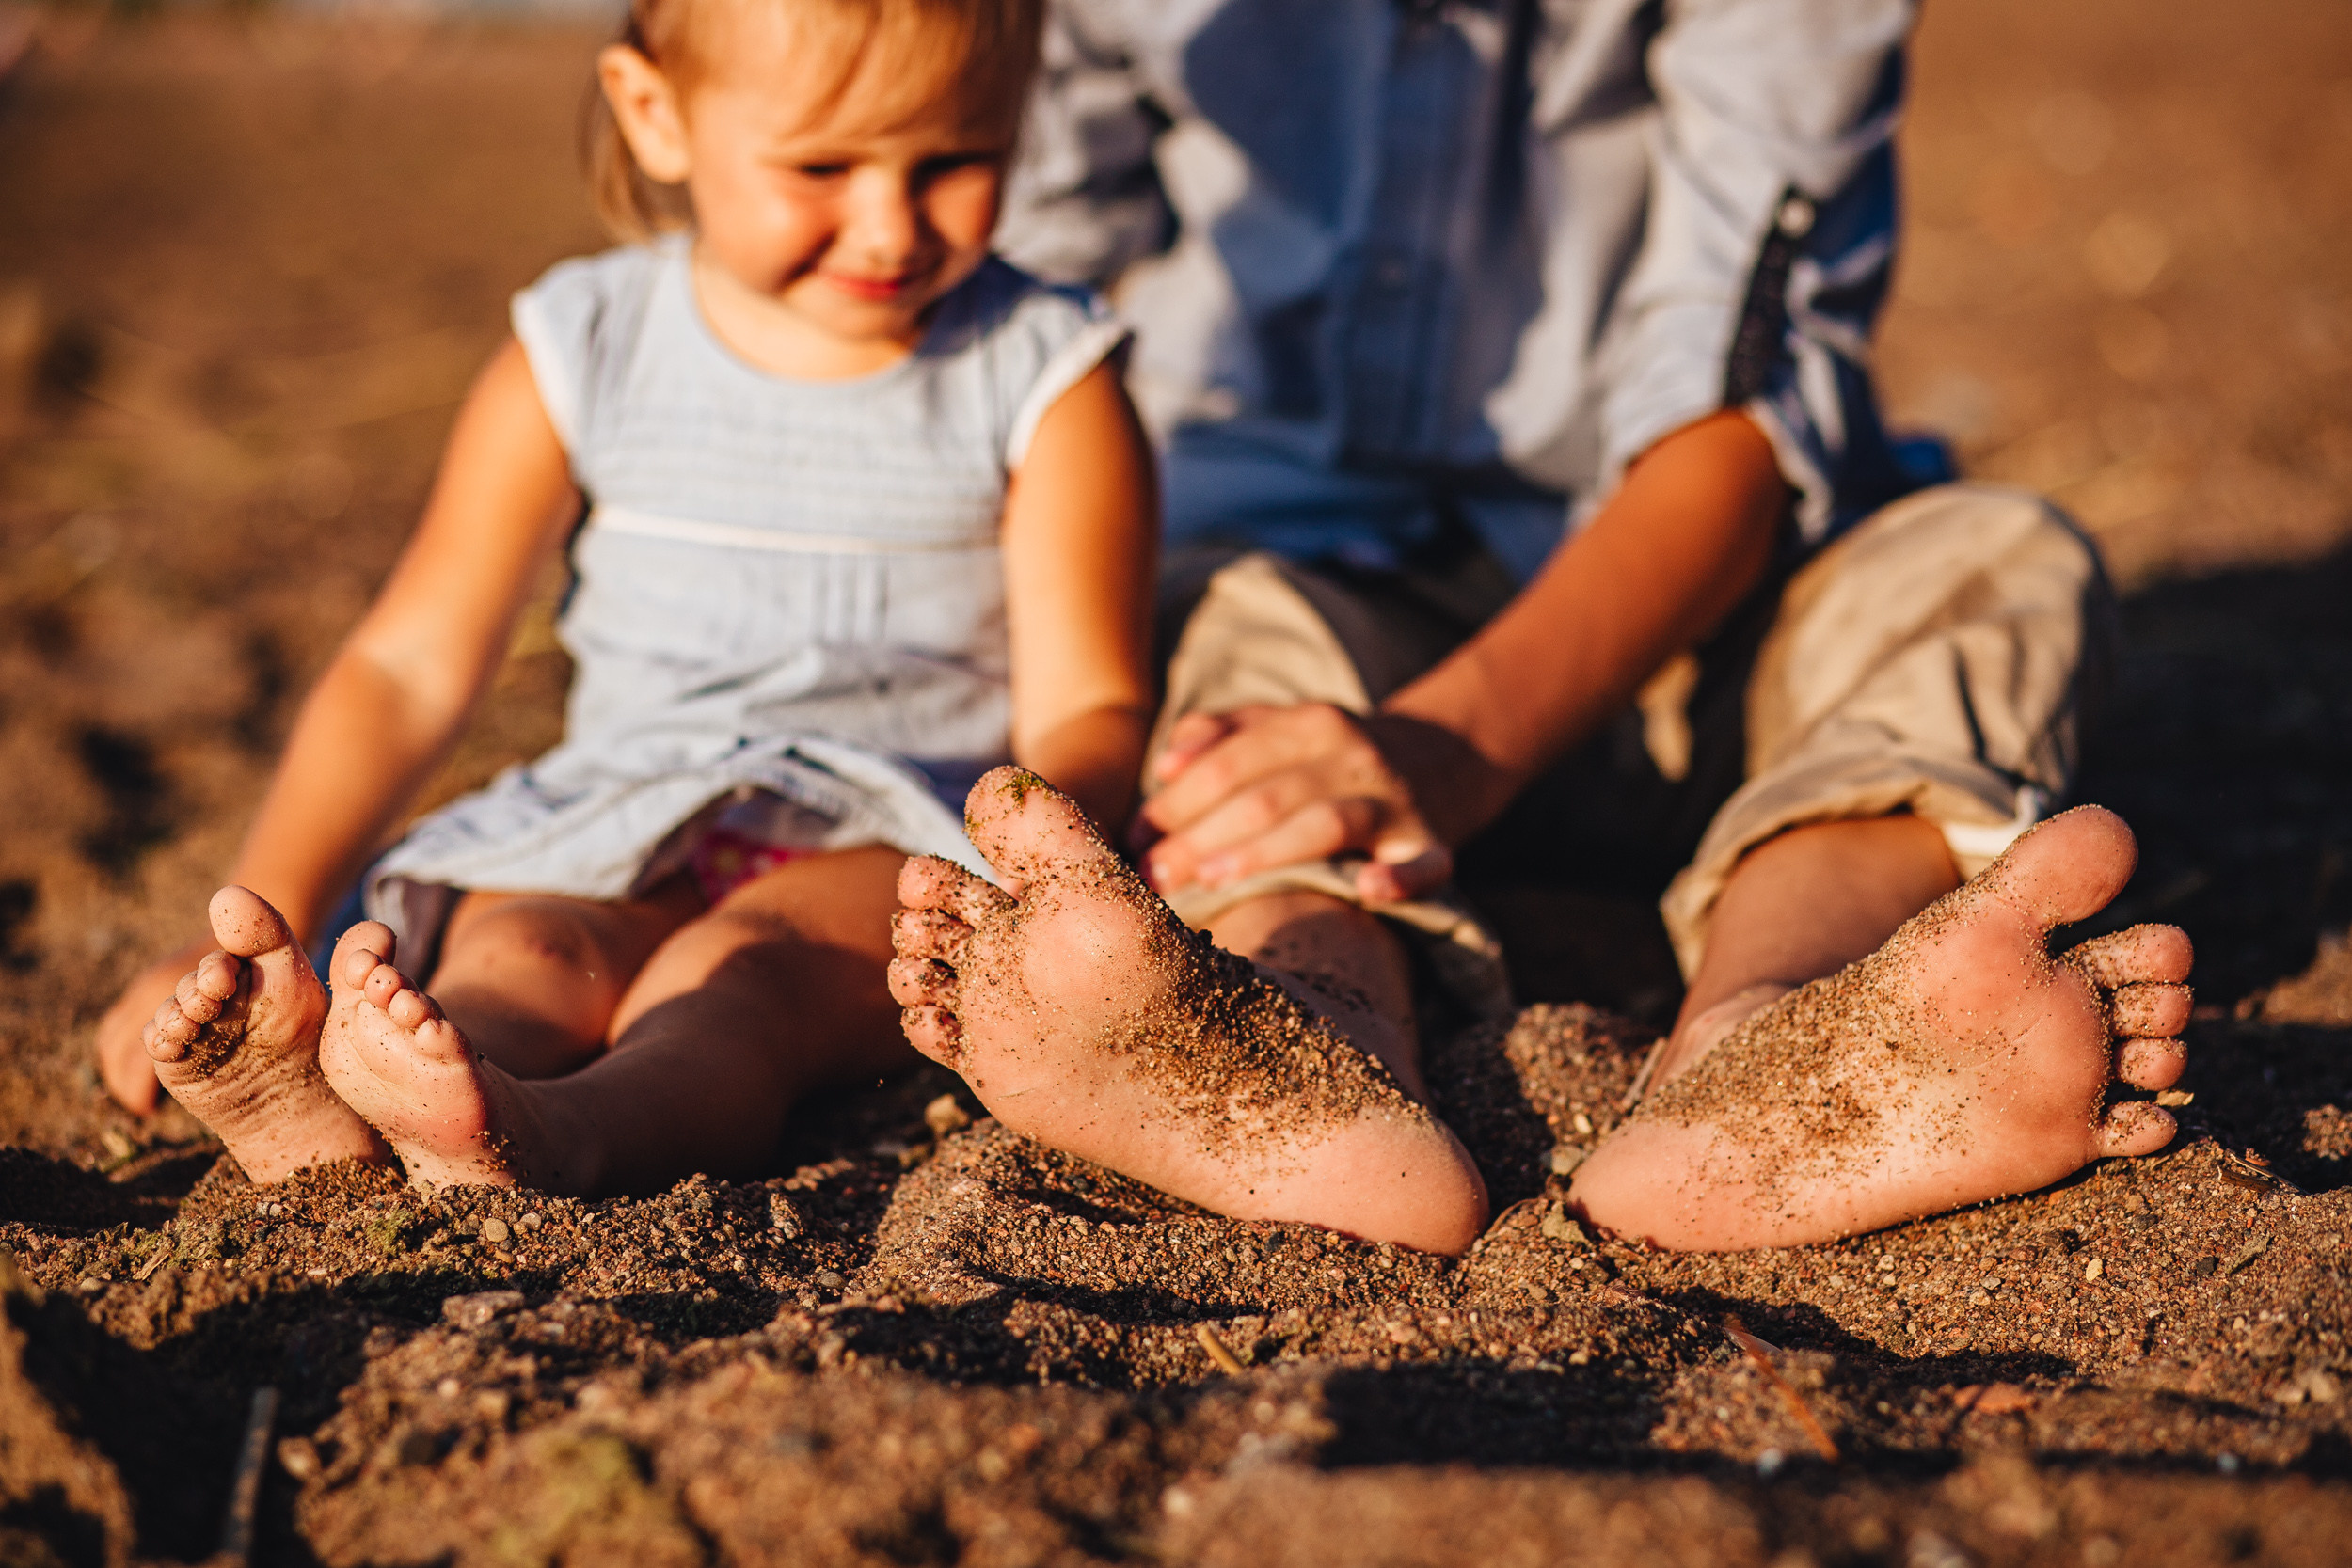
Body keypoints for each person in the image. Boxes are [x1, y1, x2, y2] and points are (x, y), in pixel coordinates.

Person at [882, 0, 2195, 1253]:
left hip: (1697, 616)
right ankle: (1296, 1032)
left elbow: (1737, 417)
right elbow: (1008, 302)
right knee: (1230, 634)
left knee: (1990, 562)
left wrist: (1453, 744)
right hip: (1301, 590)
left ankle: (1776, 1039)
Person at [91, 0, 1159, 1196]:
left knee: (739, 981)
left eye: (955, 160)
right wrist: (265, 913)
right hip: (620, 800)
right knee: (522, 949)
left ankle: (565, 1131)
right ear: (656, 115)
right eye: (821, 166)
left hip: (884, 831)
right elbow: (407, 667)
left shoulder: (1043, 377)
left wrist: (1033, 893)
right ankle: (354, 1115)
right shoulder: (586, 348)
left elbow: (1089, 704)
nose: (889, 225)